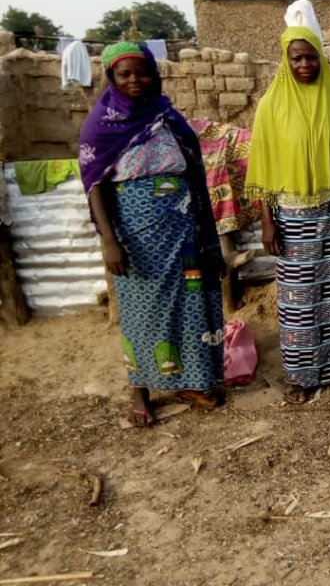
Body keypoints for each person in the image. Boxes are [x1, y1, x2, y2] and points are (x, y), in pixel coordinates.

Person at [79, 41, 224, 426]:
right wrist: (109, 240)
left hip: (184, 228)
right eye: (125, 74)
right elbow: (95, 185)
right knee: (143, 312)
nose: (135, 80)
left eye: (141, 72)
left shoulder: (167, 116)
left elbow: (191, 168)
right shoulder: (102, 125)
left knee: (191, 304)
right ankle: (140, 388)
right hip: (138, 234)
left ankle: (192, 380)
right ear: (111, 77)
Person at [245, 4, 330, 403]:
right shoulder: (270, 107)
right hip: (292, 215)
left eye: (310, 56)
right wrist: (267, 223)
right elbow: (262, 167)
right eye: (296, 57)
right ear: (286, 58)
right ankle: (301, 376)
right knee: (300, 297)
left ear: (320, 56)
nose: (304, 64)